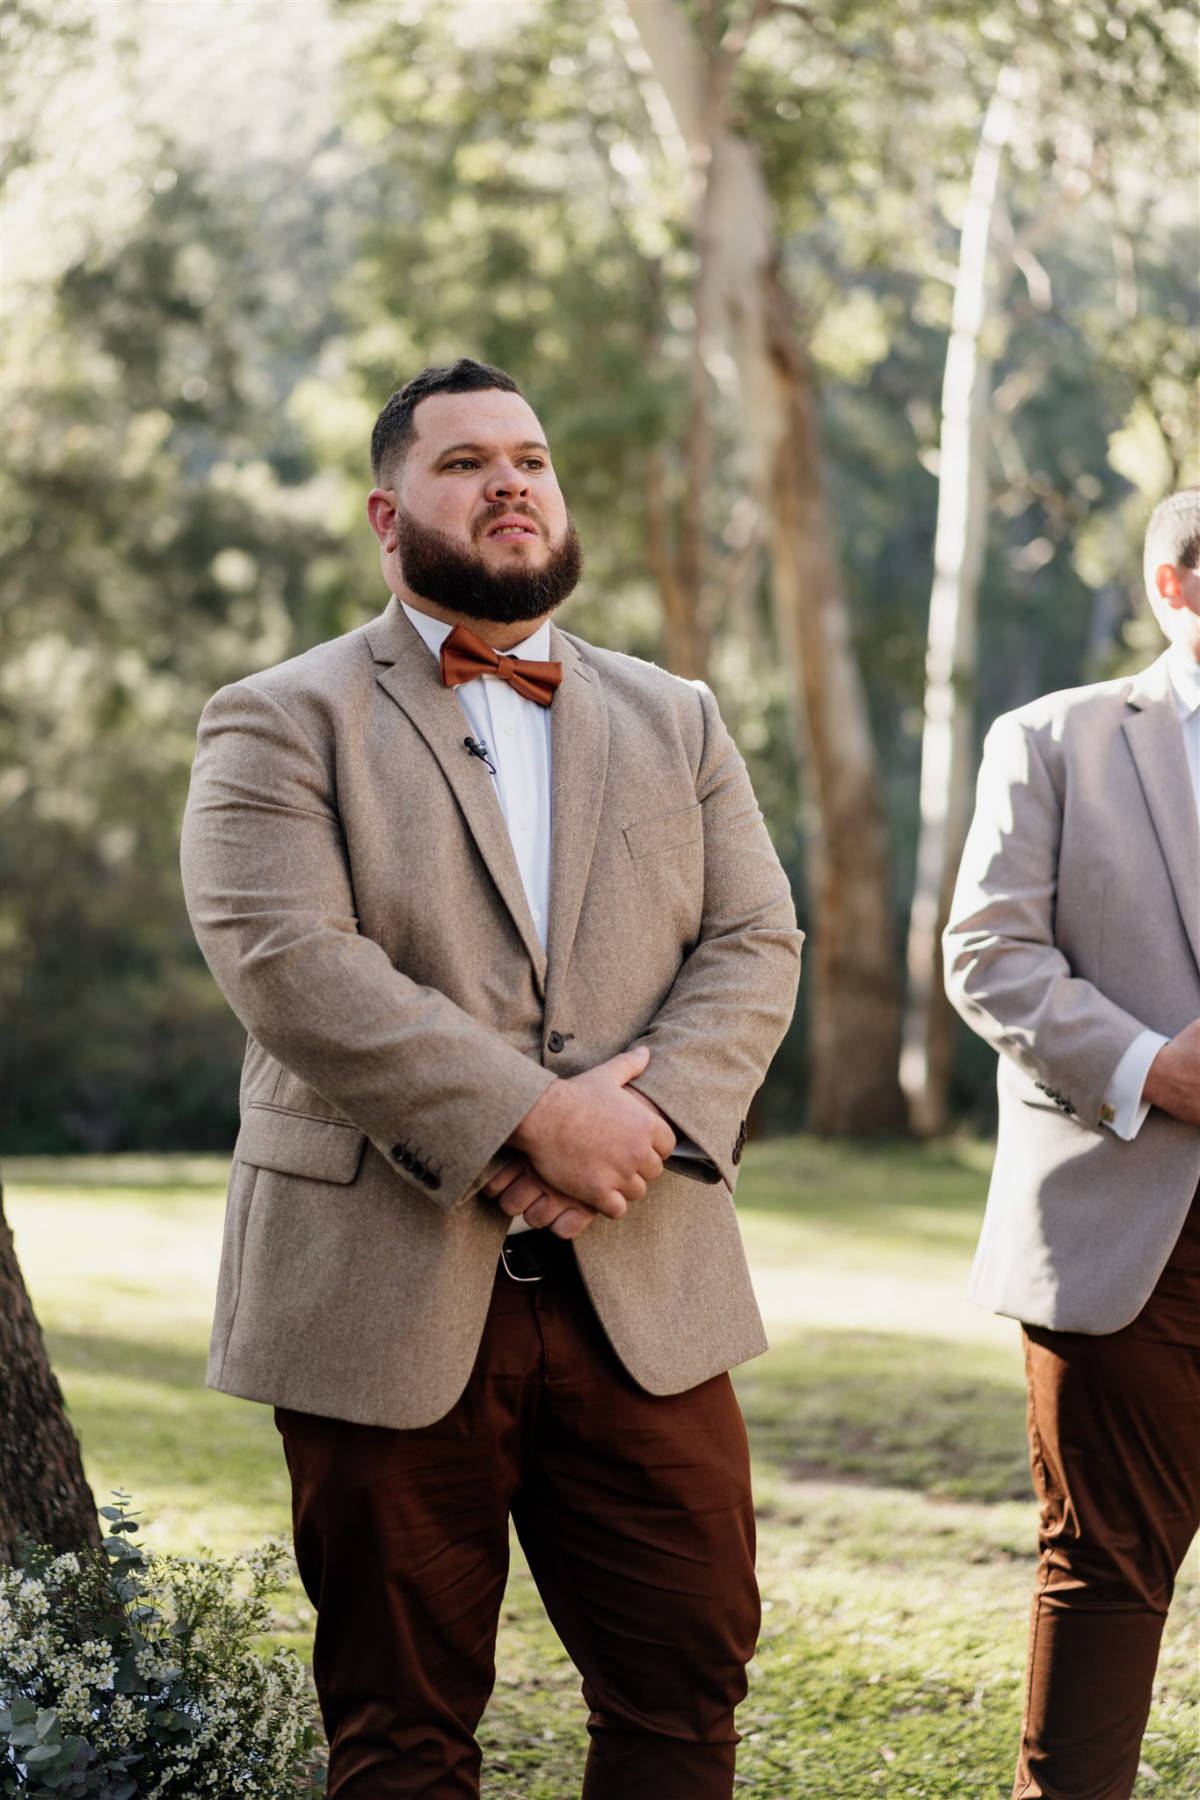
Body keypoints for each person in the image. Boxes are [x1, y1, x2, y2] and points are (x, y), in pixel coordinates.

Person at [180, 357, 803, 1800]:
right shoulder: (277, 715)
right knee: (399, 1726)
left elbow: (756, 937)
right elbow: (287, 959)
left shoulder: (680, 716)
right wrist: (533, 1120)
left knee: (685, 1683)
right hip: (379, 1281)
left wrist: (632, 1126)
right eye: (466, 463)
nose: (510, 479)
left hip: (644, 1279)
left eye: (529, 455)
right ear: (391, 520)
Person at [943, 486, 1200, 1800]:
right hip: (1129, 1219)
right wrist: (1156, 1066)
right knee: (1106, 1565)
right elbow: (987, 954)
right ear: (1178, 589)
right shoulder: (1056, 739)